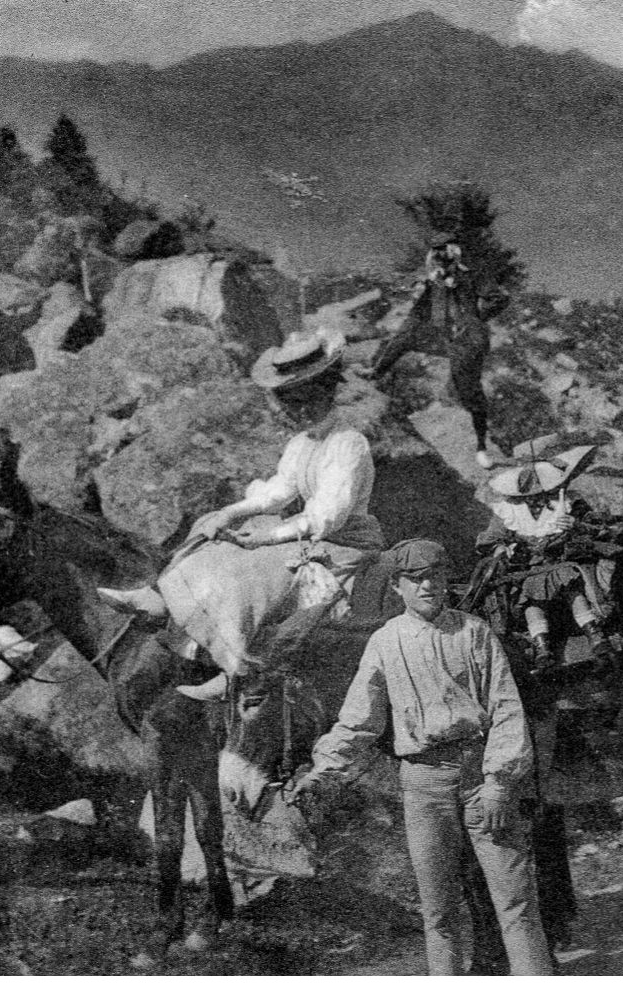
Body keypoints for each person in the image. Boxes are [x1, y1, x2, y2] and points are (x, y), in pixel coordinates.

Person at [290, 539, 555, 976]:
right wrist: (322, 771)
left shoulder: (474, 633)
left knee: (516, 904)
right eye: (414, 579)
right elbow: (359, 720)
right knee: (439, 913)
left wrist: (500, 784)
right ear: (397, 586)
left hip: (480, 779)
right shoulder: (384, 643)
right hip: (422, 786)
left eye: (434, 576)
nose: (427, 585)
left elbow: (507, 709)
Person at [99, 327, 385, 700]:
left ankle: (236, 667)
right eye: (287, 401)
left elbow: (327, 516)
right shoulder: (303, 442)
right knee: (209, 533)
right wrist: (230, 512)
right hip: (302, 532)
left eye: (302, 399)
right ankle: (159, 599)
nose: (295, 410)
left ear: (325, 391)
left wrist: (269, 536)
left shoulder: (348, 443)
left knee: (248, 570)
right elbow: (279, 491)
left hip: (343, 542)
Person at [475, 444, 623, 676]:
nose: (536, 498)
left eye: (541, 491)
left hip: (562, 560)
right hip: (529, 567)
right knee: (530, 599)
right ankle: (542, 646)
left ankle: (594, 633)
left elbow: (600, 528)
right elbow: (491, 539)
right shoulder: (507, 511)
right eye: (529, 494)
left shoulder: (568, 502)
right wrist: (502, 547)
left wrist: (576, 525)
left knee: (570, 586)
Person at [370, 234, 510, 469]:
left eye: (443, 254)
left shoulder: (471, 275)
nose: (439, 259)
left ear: (454, 253)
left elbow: (500, 298)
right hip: (441, 336)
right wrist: (421, 299)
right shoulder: (433, 281)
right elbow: (417, 314)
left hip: (466, 339)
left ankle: (481, 446)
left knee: (468, 389)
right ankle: (375, 372)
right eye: (435, 255)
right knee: (403, 338)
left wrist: (475, 319)